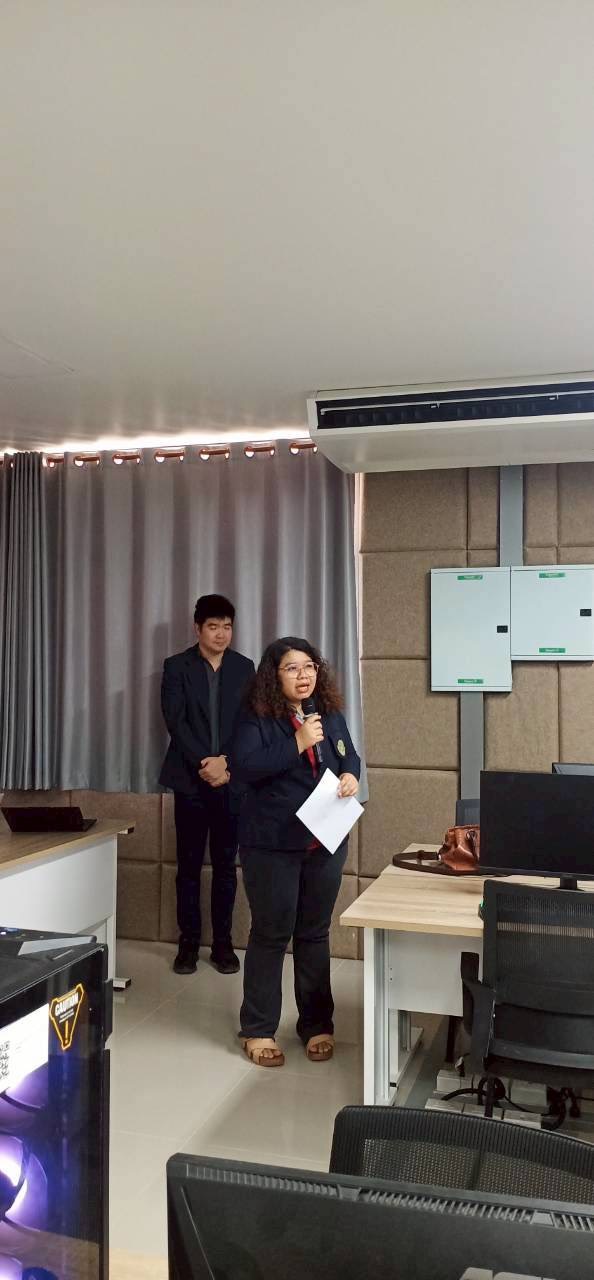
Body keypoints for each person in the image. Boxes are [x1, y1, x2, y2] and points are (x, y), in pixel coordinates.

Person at [230, 636, 361, 1067]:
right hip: (272, 843)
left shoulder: (328, 710)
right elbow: (244, 767)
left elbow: (349, 756)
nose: (304, 676)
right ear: (274, 675)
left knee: (314, 932)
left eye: (309, 667)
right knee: (271, 933)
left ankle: (317, 1024)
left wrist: (351, 776)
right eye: (292, 668)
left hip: (324, 840)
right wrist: (297, 742)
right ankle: (258, 1029)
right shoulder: (255, 716)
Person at [159, 594, 255, 975]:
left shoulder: (244, 668)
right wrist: (207, 764)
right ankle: (187, 944)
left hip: (230, 780)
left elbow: (250, 723)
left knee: (226, 867)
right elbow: (175, 722)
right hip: (190, 780)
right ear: (197, 628)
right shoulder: (176, 666)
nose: (221, 634)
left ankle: (222, 945)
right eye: (213, 626)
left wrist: (226, 763)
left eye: (227, 627)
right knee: (188, 866)